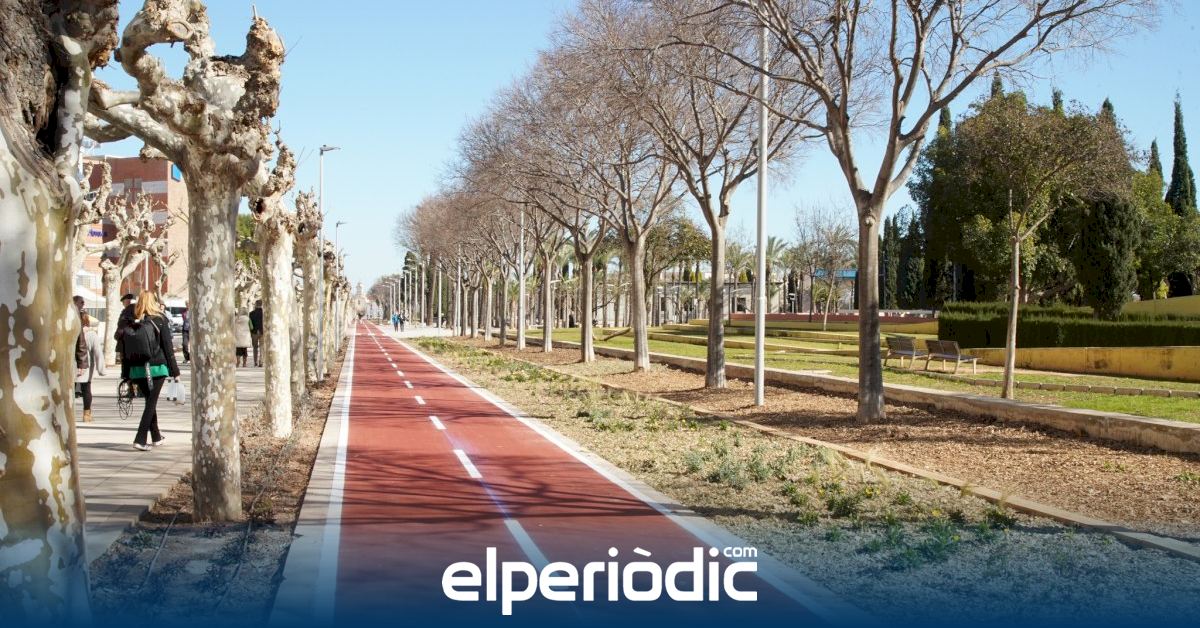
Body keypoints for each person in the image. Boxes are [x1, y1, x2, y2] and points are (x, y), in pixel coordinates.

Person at [122, 290, 179, 451]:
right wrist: (175, 372)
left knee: (149, 400)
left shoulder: (132, 320)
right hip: (156, 368)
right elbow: (167, 346)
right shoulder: (160, 319)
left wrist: (126, 374)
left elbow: (124, 349)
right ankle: (140, 439)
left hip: (137, 369)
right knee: (151, 403)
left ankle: (156, 436)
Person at [77, 313, 105, 423]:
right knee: (86, 389)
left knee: (70, 391)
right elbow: (98, 352)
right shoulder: (91, 334)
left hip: (72, 366)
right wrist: (101, 369)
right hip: (86, 366)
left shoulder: (70, 333)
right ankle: (86, 414)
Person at [114, 292, 136, 380]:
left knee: (126, 367)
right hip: (135, 343)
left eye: (124, 302)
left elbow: (121, 327)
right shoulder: (138, 310)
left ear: (127, 302)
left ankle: (128, 380)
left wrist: (117, 336)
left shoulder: (126, 312)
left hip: (125, 343)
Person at [249, 299, 264, 367]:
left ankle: (255, 361)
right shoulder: (264, 313)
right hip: (262, 332)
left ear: (255, 304)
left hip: (254, 332)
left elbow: (250, 324)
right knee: (262, 347)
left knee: (255, 347)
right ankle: (261, 361)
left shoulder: (251, 313)